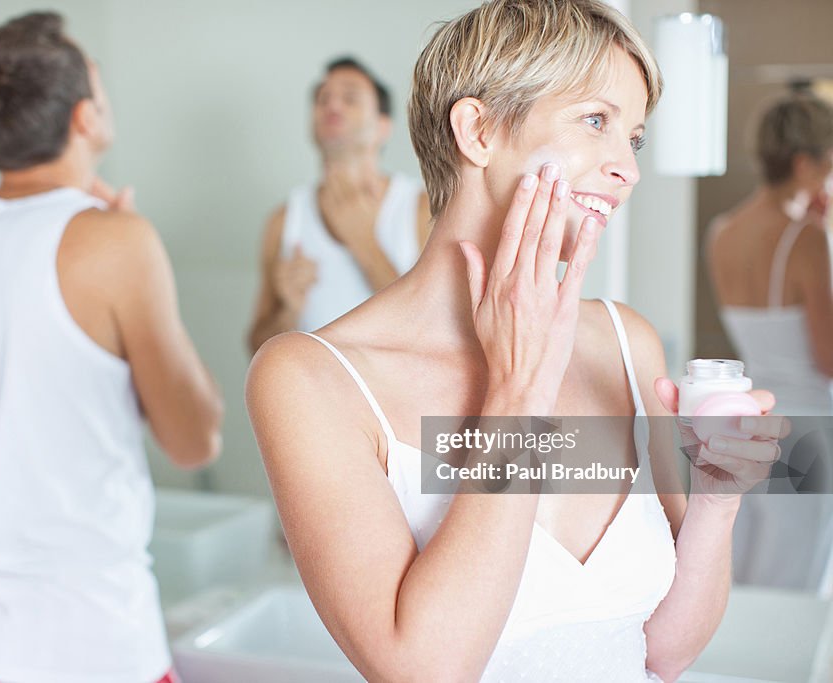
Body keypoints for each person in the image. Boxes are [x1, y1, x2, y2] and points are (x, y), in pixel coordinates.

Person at [246, 1, 784, 681]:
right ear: (478, 130)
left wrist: (716, 502)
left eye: (636, 137)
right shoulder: (310, 379)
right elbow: (423, 668)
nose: (628, 169)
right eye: (597, 121)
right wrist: (517, 390)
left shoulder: (626, 342)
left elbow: (664, 652)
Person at [0, 12, 222, 683]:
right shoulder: (117, 241)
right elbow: (196, 441)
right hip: (93, 643)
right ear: (83, 119)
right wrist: (135, 259)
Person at [707, 91, 833, 594]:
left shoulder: (722, 232)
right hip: (805, 431)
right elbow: (827, 358)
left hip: (748, 422)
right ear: (803, 163)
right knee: (793, 583)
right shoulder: (803, 237)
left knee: (741, 575)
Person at [247, 57, 431, 354]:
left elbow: (434, 334)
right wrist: (288, 312)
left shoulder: (422, 209)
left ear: (383, 126)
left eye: (350, 98)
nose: (332, 105)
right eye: (323, 98)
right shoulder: (284, 221)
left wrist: (366, 244)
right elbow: (256, 348)